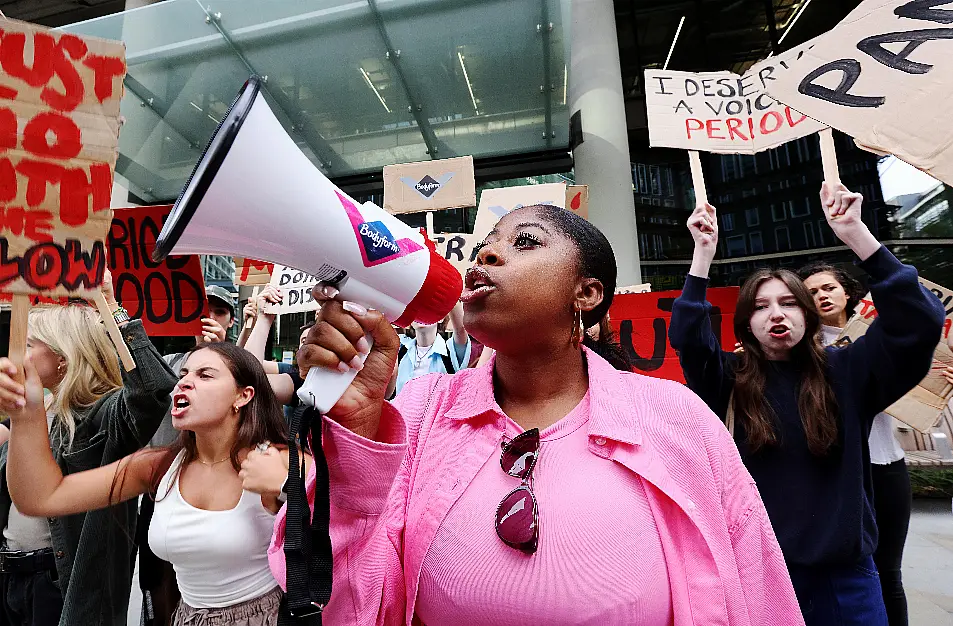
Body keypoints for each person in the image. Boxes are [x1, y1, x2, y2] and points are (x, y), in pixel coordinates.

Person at [269, 204, 805, 625]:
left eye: (524, 243)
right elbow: (333, 589)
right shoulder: (420, 409)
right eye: (484, 247)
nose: (486, 258)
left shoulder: (675, 418)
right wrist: (355, 441)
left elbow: (756, 586)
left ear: (587, 292)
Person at [669, 183, 944, 626]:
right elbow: (687, 337)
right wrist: (702, 253)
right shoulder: (730, 380)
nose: (776, 314)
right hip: (761, 576)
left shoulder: (850, 372)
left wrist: (856, 234)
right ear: (745, 325)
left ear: (808, 314)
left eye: (788, 303)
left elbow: (920, 320)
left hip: (846, 581)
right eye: (760, 306)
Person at [0, 342, 298, 626]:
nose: (184, 383)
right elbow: (41, 498)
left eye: (205, 375)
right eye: (183, 375)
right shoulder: (159, 465)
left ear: (243, 396)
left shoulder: (279, 460)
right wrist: (27, 413)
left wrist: (289, 486)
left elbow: (341, 524)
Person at [0, 272, 177, 626]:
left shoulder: (101, 415)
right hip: (12, 579)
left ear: (63, 356)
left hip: (59, 584)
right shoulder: (30, 411)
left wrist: (111, 305)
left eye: (30, 343)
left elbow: (153, 391)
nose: (17, 352)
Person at [799, 262, 946, 626]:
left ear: (847, 292)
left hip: (886, 463)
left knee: (888, 573)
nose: (821, 296)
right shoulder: (799, 347)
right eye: (812, 292)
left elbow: (915, 374)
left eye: (828, 288)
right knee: (851, 574)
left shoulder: (882, 338)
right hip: (836, 472)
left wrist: (939, 380)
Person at [386, 302, 471, 398]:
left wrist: (449, 291)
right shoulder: (399, 346)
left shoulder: (450, 351)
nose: (422, 315)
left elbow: (461, 329)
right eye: (417, 311)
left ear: (441, 318)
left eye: (429, 311)